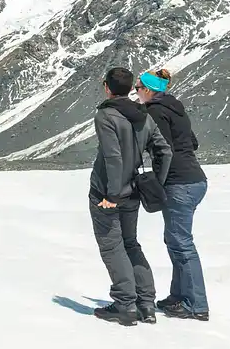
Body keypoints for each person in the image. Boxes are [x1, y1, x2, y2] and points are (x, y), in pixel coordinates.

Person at [89, 66, 172, 326]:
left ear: (107, 87)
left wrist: (111, 194)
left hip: (107, 193)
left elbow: (113, 156)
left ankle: (125, 305)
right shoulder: (143, 116)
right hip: (134, 190)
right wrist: (155, 183)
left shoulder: (106, 115)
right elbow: (164, 152)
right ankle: (146, 303)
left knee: (112, 246)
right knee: (130, 243)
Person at [135, 68, 210, 321]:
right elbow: (193, 143)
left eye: (137, 89)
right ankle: (178, 296)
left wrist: (158, 181)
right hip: (195, 180)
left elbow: (163, 150)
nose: (136, 94)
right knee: (176, 241)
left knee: (182, 244)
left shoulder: (155, 110)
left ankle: (196, 304)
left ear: (148, 90)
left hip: (179, 184)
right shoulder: (175, 107)